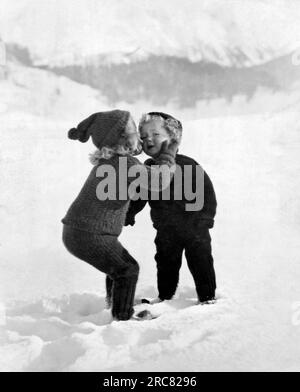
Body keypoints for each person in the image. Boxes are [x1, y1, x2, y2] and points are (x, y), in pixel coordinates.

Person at [62, 110, 178, 321]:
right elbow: (159, 182)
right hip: (89, 235)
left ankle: (115, 303)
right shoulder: (126, 164)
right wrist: (167, 156)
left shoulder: (111, 162)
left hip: (78, 231)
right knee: (127, 269)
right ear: (122, 139)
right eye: (135, 131)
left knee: (116, 266)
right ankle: (122, 316)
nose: (141, 137)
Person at [126, 112, 217, 304]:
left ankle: (207, 297)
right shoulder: (147, 169)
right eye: (143, 136)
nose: (148, 138)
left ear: (173, 138)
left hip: (195, 228)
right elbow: (139, 196)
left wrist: (205, 218)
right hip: (166, 230)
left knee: (201, 261)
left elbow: (206, 191)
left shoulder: (187, 164)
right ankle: (165, 296)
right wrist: (128, 213)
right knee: (166, 263)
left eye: (155, 134)